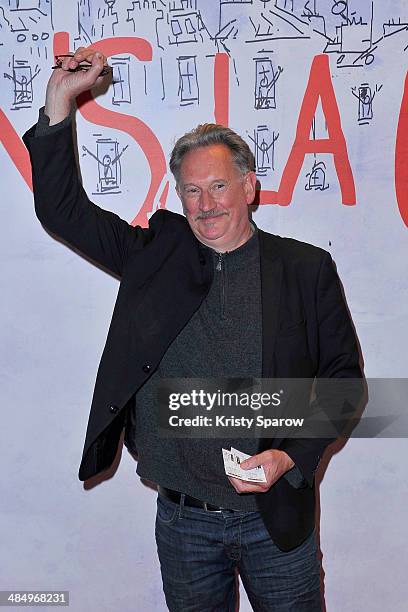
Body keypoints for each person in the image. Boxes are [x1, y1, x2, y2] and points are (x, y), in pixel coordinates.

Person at [23, 47, 363, 611]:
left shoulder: (305, 269)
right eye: (191, 191)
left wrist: (290, 458)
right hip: (183, 524)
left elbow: (346, 383)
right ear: (179, 197)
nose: (206, 205)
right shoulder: (156, 256)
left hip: (275, 520)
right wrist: (61, 101)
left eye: (219, 186)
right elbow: (63, 212)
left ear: (250, 187)